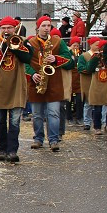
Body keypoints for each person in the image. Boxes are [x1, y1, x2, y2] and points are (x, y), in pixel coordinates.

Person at [0, 17, 31, 163]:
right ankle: (2, 150)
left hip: (16, 86)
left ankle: (12, 151)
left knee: (15, 121)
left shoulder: (23, 41)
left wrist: (15, 47)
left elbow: (28, 58)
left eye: (9, 28)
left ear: (14, 28)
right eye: (3, 28)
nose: (6, 31)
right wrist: (3, 48)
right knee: (0, 122)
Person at [26, 16, 74, 152]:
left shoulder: (58, 42)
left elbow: (70, 61)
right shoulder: (31, 43)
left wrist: (56, 59)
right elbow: (25, 62)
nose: (47, 28)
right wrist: (32, 74)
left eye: (49, 26)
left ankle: (54, 140)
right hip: (36, 82)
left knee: (53, 113)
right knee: (37, 114)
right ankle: (38, 139)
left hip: (54, 83)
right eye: (44, 26)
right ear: (38, 27)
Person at [84, 37, 107, 134]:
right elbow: (89, 68)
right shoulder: (94, 57)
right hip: (97, 85)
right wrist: (96, 58)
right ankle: (97, 127)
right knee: (97, 108)